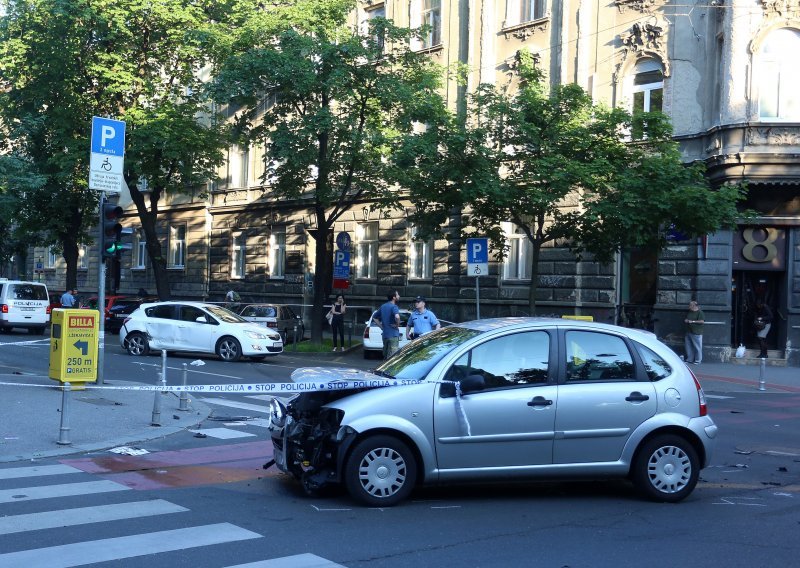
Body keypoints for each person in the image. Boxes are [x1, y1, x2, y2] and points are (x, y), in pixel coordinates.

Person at [376, 290, 401, 359]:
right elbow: (397, 316)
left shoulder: (383, 306)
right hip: (393, 335)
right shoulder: (394, 307)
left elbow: (375, 318)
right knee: (392, 358)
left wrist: (381, 327)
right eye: (397, 295)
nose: (399, 296)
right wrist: (397, 325)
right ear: (394, 297)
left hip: (385, 335)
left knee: (385, 356)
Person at [683, 300, 704, 365]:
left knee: (697, 347)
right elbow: (687, 319)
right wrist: (686, 320)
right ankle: (689, 359)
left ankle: (698, 360)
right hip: (689, 331)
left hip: (696, 332)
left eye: (690, 305)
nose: (688, 306)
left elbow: (702, 321)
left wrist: (692, 321)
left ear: (694, 306)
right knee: (688, 346)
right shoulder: (690, 312)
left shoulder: (700, 312)